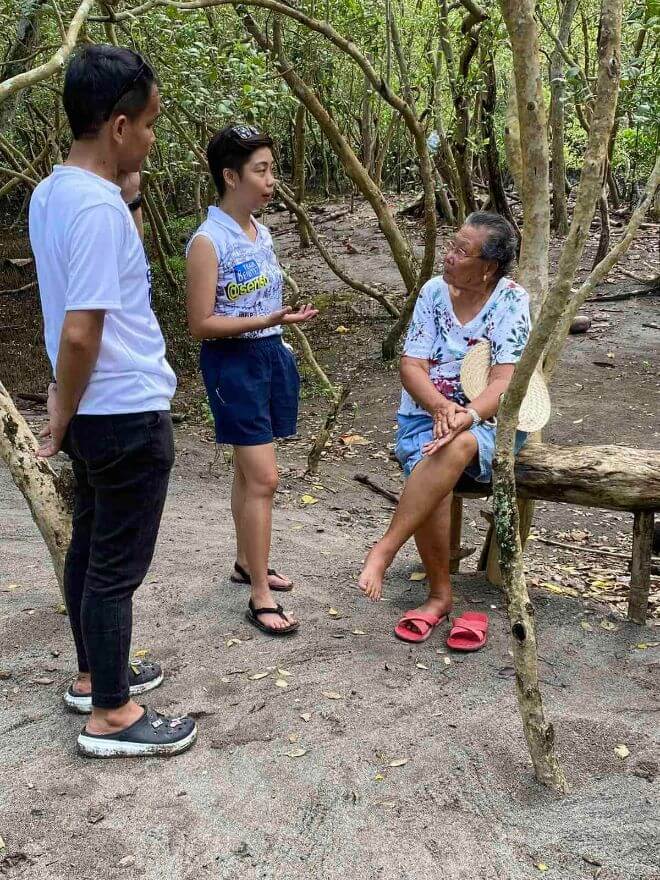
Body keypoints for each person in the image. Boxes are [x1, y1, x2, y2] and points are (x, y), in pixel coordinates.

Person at [29, 45, 197, 756]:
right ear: (120, 126)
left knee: (93, 548)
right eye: (151, 124)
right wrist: (58, 413)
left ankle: (94, 673)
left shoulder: (54, 192)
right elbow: (81, 328)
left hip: (100, 416)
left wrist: (129, 191)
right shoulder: (94, 209)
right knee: (115, 568)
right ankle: (113, 715)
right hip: (121, 412)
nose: (153, 139)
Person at [359, 212, 530, 644]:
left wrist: (465, 414)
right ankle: (440, 596)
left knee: (450, 449)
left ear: (488, 266)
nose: (449, 256)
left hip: (488, 419)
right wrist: (439, 406)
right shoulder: (434, 293)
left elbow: (504, 383)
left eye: (461, 251)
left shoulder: (511, 300)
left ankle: (388, 550)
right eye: (451, 245)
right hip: (425, 414)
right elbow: (411, 364)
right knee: (433, 461)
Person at [186, 125, 317, 637]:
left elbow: (259, 303)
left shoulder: (260, 232)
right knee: (265, 478)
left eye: (271, 169)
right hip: (232, 364)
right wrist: (264, 322)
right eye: (260, 171)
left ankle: (247, 563)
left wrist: (278, 323)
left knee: (247, 474)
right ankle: (259, 595)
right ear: (230, 176)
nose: (271, 181)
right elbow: (200, 323)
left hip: (268, 355)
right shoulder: (208, 241)